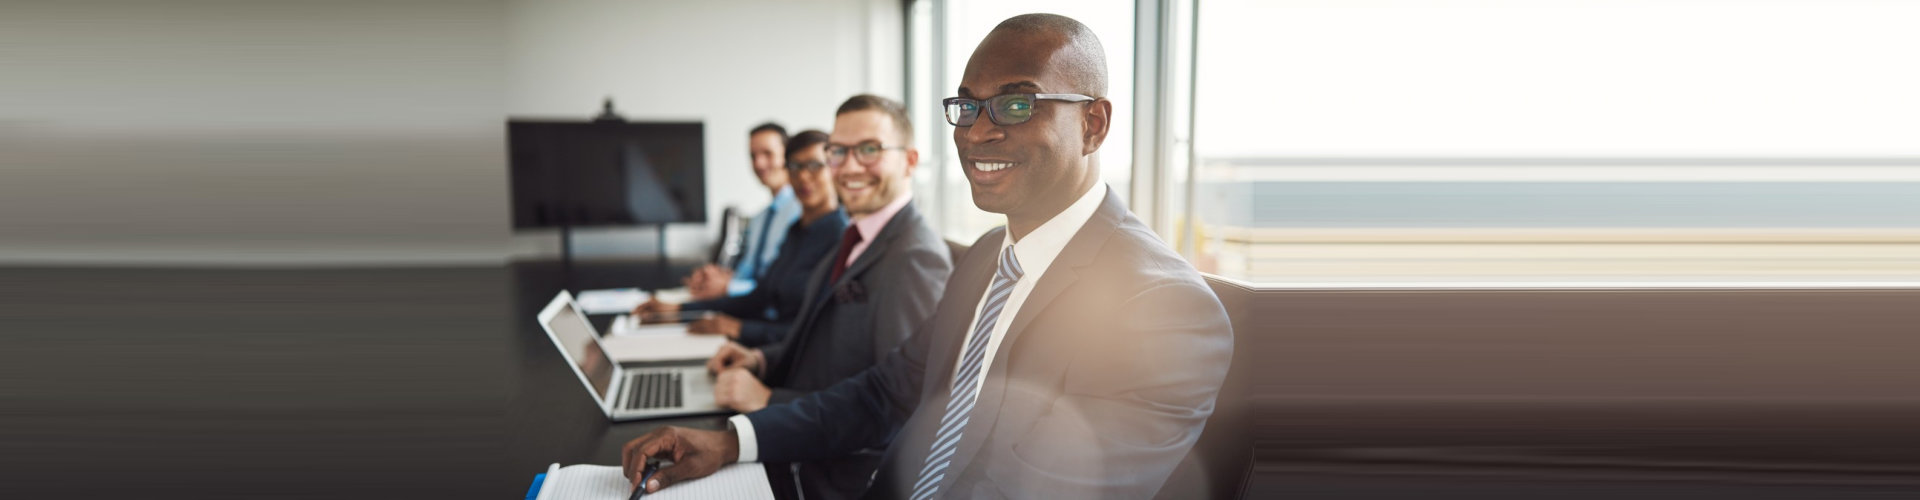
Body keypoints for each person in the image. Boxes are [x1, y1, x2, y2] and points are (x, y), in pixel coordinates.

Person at [620, 14, 1234, 500]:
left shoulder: (1161, 309)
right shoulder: (990, 257)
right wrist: (732, 442)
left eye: (1018, 104)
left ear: (1093, 125)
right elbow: (884, 394)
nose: (977, 131)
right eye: (967, 106)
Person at [694, 94, 953, 500]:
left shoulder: (914, 257)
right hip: (798, 444)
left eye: (869, 150)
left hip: (831, 476)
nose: (848, 167)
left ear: (909, 161)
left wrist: (768, 399)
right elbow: (821, 344)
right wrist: (762, 358)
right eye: (838, 151)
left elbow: (892, 406)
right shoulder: (854, 236)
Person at [632, 130, 848, 347]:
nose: (803, 176)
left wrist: (738, 328)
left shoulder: (840, 235)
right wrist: (679, 309)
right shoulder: (796, 231)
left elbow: (820, 331)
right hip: (767, 345)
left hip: (790, 356)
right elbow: (760, 296)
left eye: (814, 165)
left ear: (835, 169)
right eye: (794, 166)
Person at [684, 123, 803, 301]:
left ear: (787, 156)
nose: (759, 163)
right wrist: (713, 278)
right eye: (753, 156)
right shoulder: (759, 220)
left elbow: (784, 285)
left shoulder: (802, 213)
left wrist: (729, 287)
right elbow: (746, 274)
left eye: (767, 154)